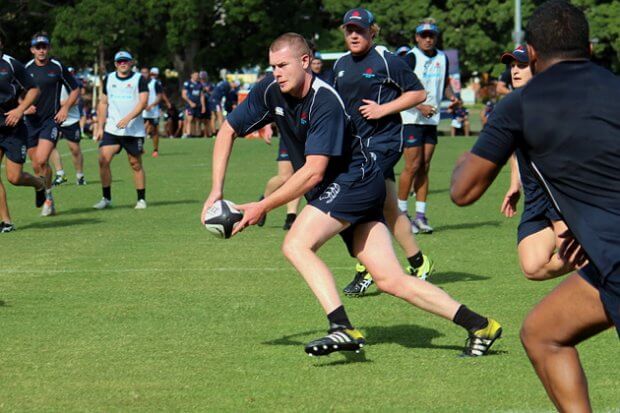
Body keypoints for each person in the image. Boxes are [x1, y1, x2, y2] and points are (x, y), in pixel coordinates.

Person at [202, 32, 502, 357]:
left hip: (354, 181)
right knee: (390, 280)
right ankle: (480, 325)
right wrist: (216, 191)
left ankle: (341, 327)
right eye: (272, 66)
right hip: (349, 184)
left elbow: (314, 171)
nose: (276, 72)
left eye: (283, 65)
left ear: (305, 62)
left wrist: (261, 207)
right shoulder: (269, 89)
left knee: (296, 244)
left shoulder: (324, 100)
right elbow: (228, 129)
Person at [450, 1, 619, 410]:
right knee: (543, 331)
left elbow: (463, 192)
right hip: (607, 263)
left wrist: (471, 153)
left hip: (615, 261)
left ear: (535, 54)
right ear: (590, 49)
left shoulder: (519, 106)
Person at [332, 8, 434, 297]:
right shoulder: (339, 64)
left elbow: (418, 94)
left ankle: (366, 270)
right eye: (349, 30)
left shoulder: (387, 61)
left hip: (384, 143)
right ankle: (419, 261)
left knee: (360, 198)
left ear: (372, 32)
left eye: (360, 30)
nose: (354, 34)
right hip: (355, 149)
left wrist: (383, 110)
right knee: (389, 207)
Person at [498, 45, 573, 281]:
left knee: (578, 258)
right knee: (533, 267)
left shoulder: (555, 105)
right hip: (535, 198)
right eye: (512, 66)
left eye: (522, 65)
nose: (515, 71)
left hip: (561, 195)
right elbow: (512, 149)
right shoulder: (513, 106)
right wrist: (514, 183)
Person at [398, 19, 457, 233]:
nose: (428, 38)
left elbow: (446, 83)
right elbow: (397, 86)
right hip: (412, 118)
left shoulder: (443, 58)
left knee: (424, 167)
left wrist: (453, 98)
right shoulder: (410, 58)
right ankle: (402, 215)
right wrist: (419, 105)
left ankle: (420, 217)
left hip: (431, 120)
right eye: (424, 35)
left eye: (431, 35)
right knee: (412, 166)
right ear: (417, 38)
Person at [24, 33, 80, 216]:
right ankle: (48, 195)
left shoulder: (57, 67)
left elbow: (75, 89)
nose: (41, 50)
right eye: (37, 47)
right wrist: (24, 107)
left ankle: (46, 195)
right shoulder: (25, 68)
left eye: (44, 46)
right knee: (36, 165)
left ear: (48, 48)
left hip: (51, 121)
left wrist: (65, 109)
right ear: (32, 49)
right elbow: (16, 91)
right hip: (31, 123)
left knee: (41, 159)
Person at [93, 51, 148, 210]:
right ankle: (106, 198)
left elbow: (143, 102)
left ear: (131, 63)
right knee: (103, 160)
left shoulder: (139, 79)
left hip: (133, 131)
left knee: (135, 164)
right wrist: (100, 126)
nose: (123, 64)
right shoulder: (109, 78)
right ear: (116, 64)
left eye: (126, 61)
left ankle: (141, 199)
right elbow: (103, 103)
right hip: (112, 129)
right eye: (119, 61)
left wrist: (128, 118)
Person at [0, 44, 45, 232]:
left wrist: (20, 110)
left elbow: (34, 89)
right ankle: (6, 221)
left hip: (13, 128)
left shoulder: (11, 64)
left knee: (14, 178)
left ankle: (39, 183)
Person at [256, 129, 301, 230]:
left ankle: (291, 217)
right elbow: (274, 112)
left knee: (300, 176)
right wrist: (267, 128)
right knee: (284, 176)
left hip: (308, 136)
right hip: (288, 135)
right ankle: (263, 203)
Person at [50, 68, 87, 186]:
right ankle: (60, 174)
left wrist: (59, 104)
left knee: (74, 149)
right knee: (50, 146)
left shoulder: (70, 82)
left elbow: (76, 100)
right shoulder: (49, 82)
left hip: (70, 120)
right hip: (53, 119)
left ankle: (80, 176)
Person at [141, 67, 164, 157]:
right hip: (142, 111)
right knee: (140, 130)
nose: (144, 74)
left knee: (154, 131)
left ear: (149, 73)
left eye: (145, 72)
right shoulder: (139, 83)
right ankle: (140, 148)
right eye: (142, 73)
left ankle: (155, 150)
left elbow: (159, 96)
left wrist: (152, 105)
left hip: (153, 111)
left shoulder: (155, 83)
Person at [182, 71, 205, 137]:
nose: (196, 76)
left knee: (197, 119)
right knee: (190, 118)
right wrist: (190, 102)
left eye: (197, 75)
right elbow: (183, 95)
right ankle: (188, 134)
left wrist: (203, 106)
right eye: (195, 75)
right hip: (190, 105)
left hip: (198, 105)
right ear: (191, 75)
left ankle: (195, 134)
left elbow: (202, 95)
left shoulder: (200, 84)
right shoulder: (187, 83)